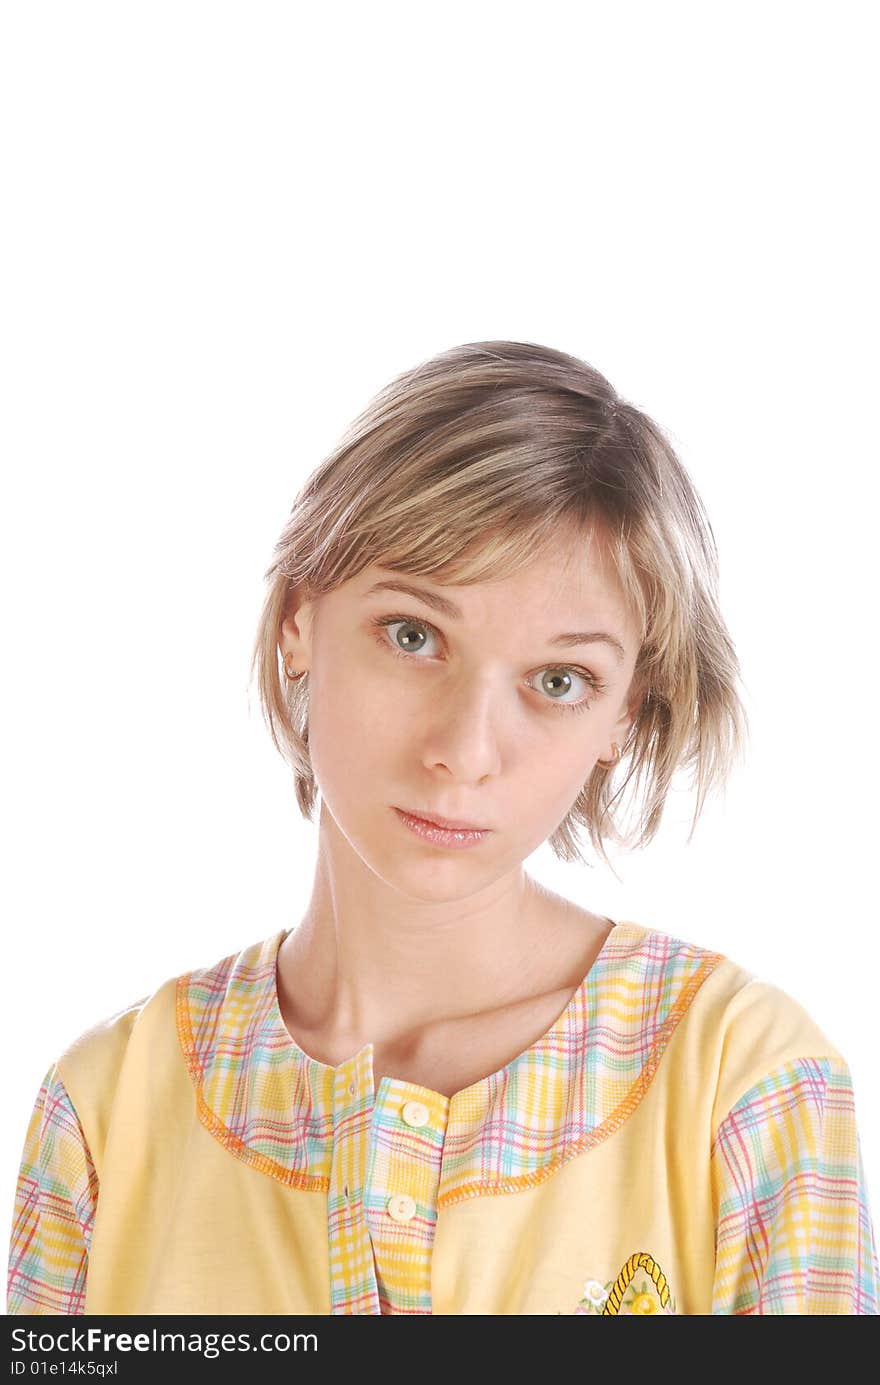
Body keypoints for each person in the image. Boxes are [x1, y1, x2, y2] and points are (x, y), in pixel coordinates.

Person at [7, 340, 878, 1316]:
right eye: (414, 635)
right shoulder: (103, 1118)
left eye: (558, 681)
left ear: (624, 712)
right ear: (300, 614)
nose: (465, 751)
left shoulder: (746, 1083)